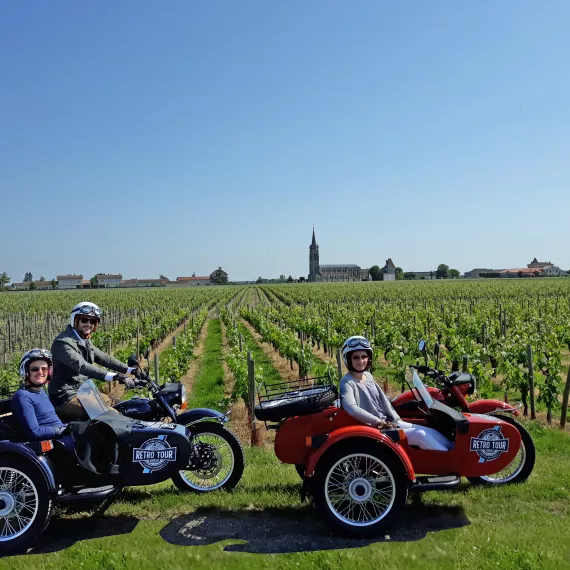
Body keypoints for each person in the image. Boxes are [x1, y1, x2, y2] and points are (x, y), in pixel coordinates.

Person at [339, 336, 452, 451]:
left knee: (428, 430)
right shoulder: (347, 382)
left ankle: (454, 450)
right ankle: (449, 460)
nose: (361, 361)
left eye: (364, 357)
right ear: (348, 359)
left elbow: (381, 398)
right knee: (420, 435)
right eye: (356, 358)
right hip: (374, 428)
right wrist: (379, 422)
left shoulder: (368, 375)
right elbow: (352, 408)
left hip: (388, 422)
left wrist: (394, 418)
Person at [49, 302, 141, 421]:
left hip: (85, 393)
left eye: (93, 321)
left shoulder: (83, 340)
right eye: (84, 320)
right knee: (114, 418)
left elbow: (104, 358)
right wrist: (115, 376)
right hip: (67, 397)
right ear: (74, 320)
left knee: (129, 408)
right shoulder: (63, 342)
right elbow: (82, 366)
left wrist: (130, 369)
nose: (88, 324)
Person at [12, 349, 67, 441]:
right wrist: (62, 430)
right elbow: (35, 432)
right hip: (54, 443)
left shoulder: (41, 391)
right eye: (35, 369)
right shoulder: (22, 396)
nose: (41, 372)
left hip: (62, 436)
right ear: (26, 372)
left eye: (44, 369)